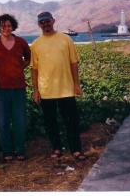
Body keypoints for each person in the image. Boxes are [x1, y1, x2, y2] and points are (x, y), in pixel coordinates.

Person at [30, 11, 86, 161]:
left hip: (66, 89)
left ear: (53, 21)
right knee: (50, 123)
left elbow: (74, 63)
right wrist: (35, 91)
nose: (45, 24)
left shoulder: (66, 39)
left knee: (71, 122)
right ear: (38, 25)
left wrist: (77, 84)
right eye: (42, 22)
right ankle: (56, 148)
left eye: (47, 21)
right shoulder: (35, 45)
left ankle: (76, 149)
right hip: (46, 91)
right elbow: (34, 69)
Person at [0, 14, 31, 162]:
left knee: (19, 120)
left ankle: (20, 150)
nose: (6, 28)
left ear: (13, 26)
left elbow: (28, 58)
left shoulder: (21, 42)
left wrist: (20, 68)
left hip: (19, 88)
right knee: (2, 121)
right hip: (1, 90)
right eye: (2, 26)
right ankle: (7, 151)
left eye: (8, 25)